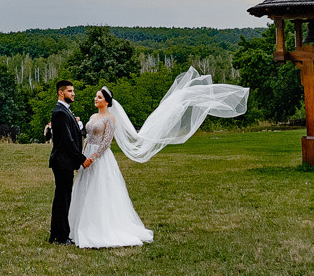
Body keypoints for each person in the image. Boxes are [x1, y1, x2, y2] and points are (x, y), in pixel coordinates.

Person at [67, 69, 251, 249]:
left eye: (99, 97)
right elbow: (88, 137)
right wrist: (81, 158)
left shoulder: (110, 119)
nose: (95, 99)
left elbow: (106, 142)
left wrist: (93, 157)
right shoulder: (92, 116)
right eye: (96, 96)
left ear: (106, 101)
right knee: (84, 189)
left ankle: (102, 228)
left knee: (100, 191)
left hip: (100, 158)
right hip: (86, 156)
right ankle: (79, 226)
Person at [45, 80, 83, 244]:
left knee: (61, 198)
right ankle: (61, 236)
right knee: (63, 199)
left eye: (73, 91)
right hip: (62, 162)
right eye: (70, 91)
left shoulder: (64, 111)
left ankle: (56, 234)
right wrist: (81, 159)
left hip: (64, 162)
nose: (73, 93)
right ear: (61, 93)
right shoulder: (60, 112)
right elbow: (67, 141)